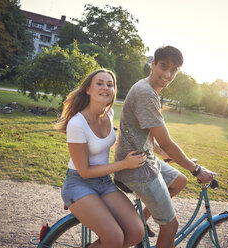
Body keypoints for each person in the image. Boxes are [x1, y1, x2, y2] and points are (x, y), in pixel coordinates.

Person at [114, 46, 214, 248]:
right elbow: (167, 141)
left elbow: (148, 130)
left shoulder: (149, 90)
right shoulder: (146, 93)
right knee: (171, 225)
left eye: (174, 70)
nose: (168, 74)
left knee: (179, 181)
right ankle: (133, 230)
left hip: (144, 158)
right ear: (153, 65)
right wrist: (197, 170)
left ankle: (141, 220)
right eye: (163, 67)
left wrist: (161, 152)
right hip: (137, 168)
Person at [56, 69, 146, 248]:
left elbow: (109, 142)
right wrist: (123, 164)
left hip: (104, 183)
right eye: (100, 83)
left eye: (110, 85)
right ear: (88, 89)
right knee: (114, 238)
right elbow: (85, 171)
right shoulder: (77, 123)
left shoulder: (109, 114)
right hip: (78, 183)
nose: (105, 87)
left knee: (137, 233)